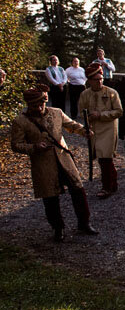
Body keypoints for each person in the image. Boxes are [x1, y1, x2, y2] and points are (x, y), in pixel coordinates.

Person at [10, 85, 99, 241]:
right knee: (50, 197)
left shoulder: (56, 113)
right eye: (33, 105)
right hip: (42, 163)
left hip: (64, 158)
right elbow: (16, 144)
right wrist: (34, 147)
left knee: (78, 189)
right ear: (28, 105)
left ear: (45, 101)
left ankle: (84, 223)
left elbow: (71, 124)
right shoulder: (20, 121)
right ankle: (58, 228)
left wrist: (84, 131)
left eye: (40, 104)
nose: (38, 108)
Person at [78, 63, 123, 198]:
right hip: (94, 130)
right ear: (89, 80)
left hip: (108, 129)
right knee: (102, 159)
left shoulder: (111, 93)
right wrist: (88, 118)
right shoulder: (85, 94)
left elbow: (119, 111)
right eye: (96, 79)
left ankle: (106, 187)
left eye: (101, 79)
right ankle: (113, 184)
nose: (99, 82)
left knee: (106, 158)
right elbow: (81, 111)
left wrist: (101, 115)